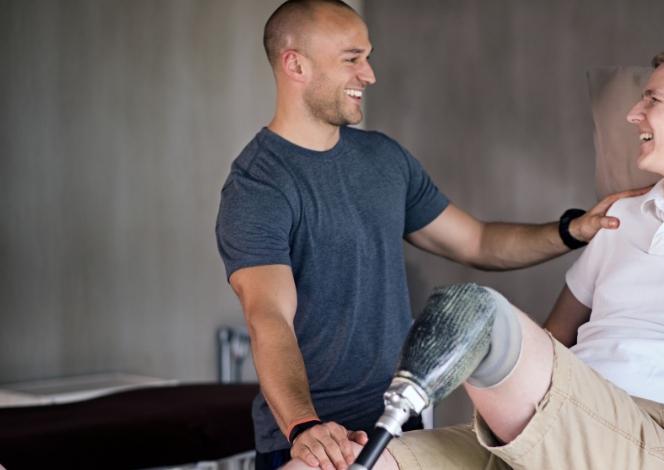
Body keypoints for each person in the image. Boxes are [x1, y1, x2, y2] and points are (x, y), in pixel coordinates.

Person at [286, 45, 664, 470]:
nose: (632, 115)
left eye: (652, 100)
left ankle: (411, 399)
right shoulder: (621, 221)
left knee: (473, 313)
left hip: (655, 445)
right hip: (542, 433)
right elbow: (551, 344)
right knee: (329, 466)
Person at [214, 1, 636, 469]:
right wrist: (303, 426)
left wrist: (573, 229)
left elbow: (477, 241)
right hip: (314, 441)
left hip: (398, 428)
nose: (369, 75)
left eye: (367, 57)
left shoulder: (383, 159)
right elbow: (269, 316)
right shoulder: (258, 185)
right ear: (296, 65)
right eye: (352, 59)